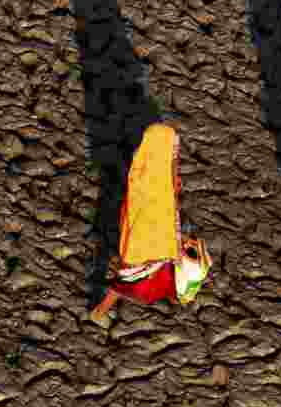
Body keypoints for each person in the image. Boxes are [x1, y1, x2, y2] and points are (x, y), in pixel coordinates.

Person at [89, 123, 212, 327]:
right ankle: (101, 310)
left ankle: (100, 311)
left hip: (144, 238)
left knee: (129, 268)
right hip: (155, 250)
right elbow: (173, 183)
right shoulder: (169, 168)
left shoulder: (143, 164)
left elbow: (137, 183)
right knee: (137, 274)